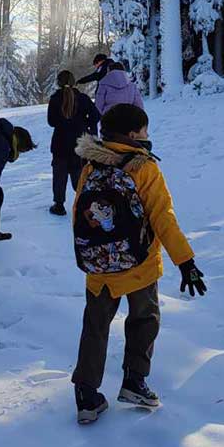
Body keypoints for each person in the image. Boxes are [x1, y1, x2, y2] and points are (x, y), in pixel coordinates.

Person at [70, 103, 207, 424]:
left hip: (99, 268)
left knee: (95, 326)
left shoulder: (91, 164)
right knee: (145, 319)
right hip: (139, 266)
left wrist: (91, 254)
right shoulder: (143, 168)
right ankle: (134, 380)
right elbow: (163, 218)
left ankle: (86, 394)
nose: (147, 136)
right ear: (133, 134)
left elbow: (80, 213)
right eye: (145, 131)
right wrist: (185, 261)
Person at [47, 71, 100, 216]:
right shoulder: (83, 98)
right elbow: (96, 116)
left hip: (60, 143)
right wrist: (84, 124)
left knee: (59, 175)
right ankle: (85, 203)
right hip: (79, 143)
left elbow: (51, 122)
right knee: (79, 174)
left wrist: (63, 122)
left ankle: (59, 205)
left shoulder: (55, 99)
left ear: (58, 82)